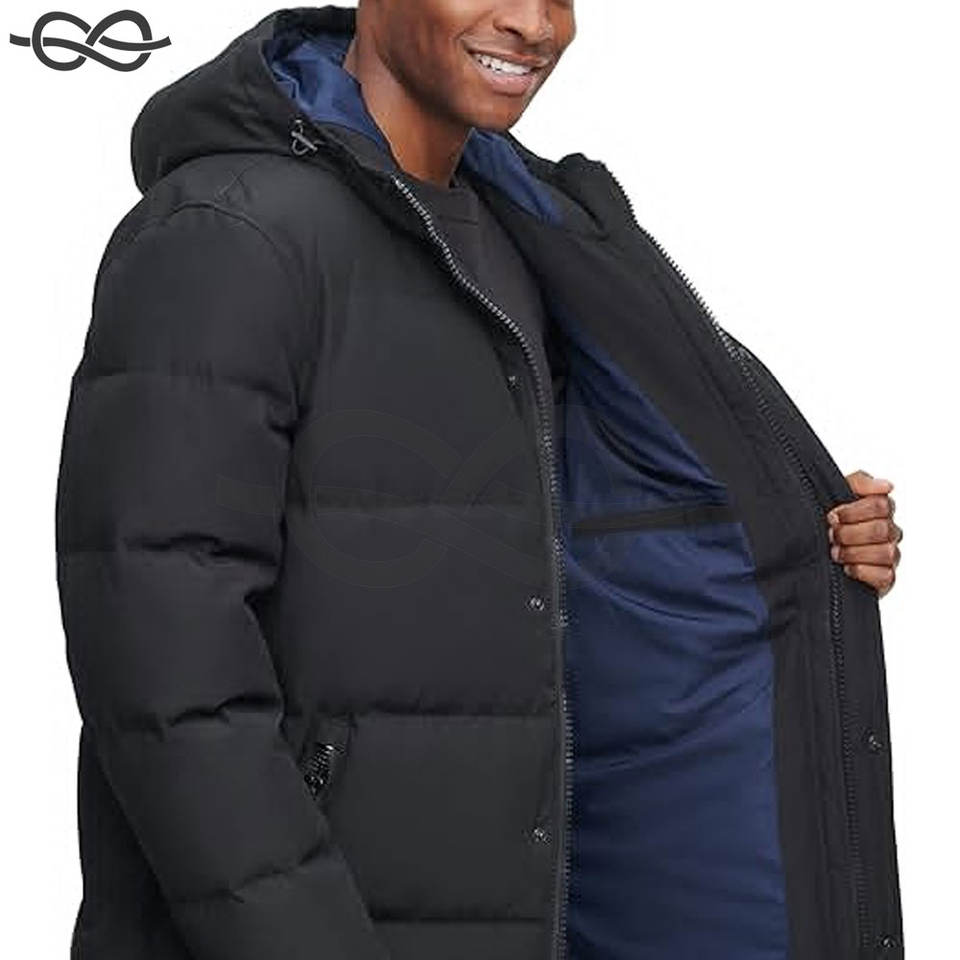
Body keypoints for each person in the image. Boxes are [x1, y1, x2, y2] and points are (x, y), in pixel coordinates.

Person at [54, 4, 905, 960]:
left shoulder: (526, 239)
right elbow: (162, 665)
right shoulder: (230, 233)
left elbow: (569, 539)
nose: (534, 24)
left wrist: (791, 531)